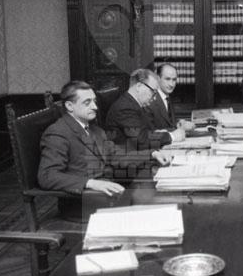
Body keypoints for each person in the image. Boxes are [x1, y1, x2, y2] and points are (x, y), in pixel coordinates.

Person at [38, 80, 170, 196]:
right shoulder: (57, 133)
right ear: (69, 106)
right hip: (83, 200)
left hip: (107, 191)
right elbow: (47, 176)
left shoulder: (95, 130)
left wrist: (152, 154)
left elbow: (116, 155)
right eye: (87, 103)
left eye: (94, 101)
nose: (95, 107)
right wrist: (91, 183)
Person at [105, 69, 186, 151]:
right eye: (153, 92)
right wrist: (172, 136)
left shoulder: (133, 104)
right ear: (139, 86)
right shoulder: (125, 107)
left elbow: (144, 133)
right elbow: (141, 141)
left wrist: (159, 133)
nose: (154, 98)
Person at [145, 63, 195, 132]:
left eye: (174, 80)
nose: (171, 84)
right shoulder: (149, 101)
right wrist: (180, 129)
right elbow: (151, 132)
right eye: (167, 79)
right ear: (158, 78)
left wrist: (179, 124)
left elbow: (168, 124)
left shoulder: (167, 97)